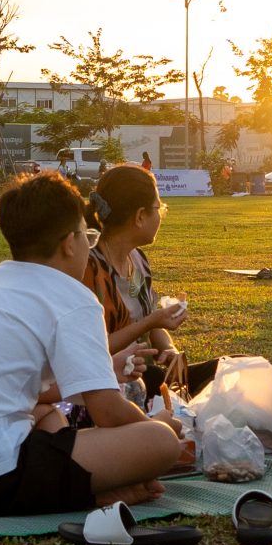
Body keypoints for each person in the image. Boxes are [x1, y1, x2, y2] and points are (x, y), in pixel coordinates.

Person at [0, 171, 188, 516]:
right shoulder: (73, 297)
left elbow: (27, 392)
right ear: (70, 243)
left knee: (45, 410)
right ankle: (87, 490)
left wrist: (104, 374)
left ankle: (84, 489)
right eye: (87, 237)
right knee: (161, 443)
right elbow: (107, 412)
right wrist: (159, 423)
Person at [83, 165, 214, 399]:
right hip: (113, 384)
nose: (161, 214)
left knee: (235, 367)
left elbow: (153, 319)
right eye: (159, 208)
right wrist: (149, 322)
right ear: (140, 216)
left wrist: (169, 350)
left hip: (147, 376)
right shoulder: (89, 269)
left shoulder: (137, 259)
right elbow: (90, 349)